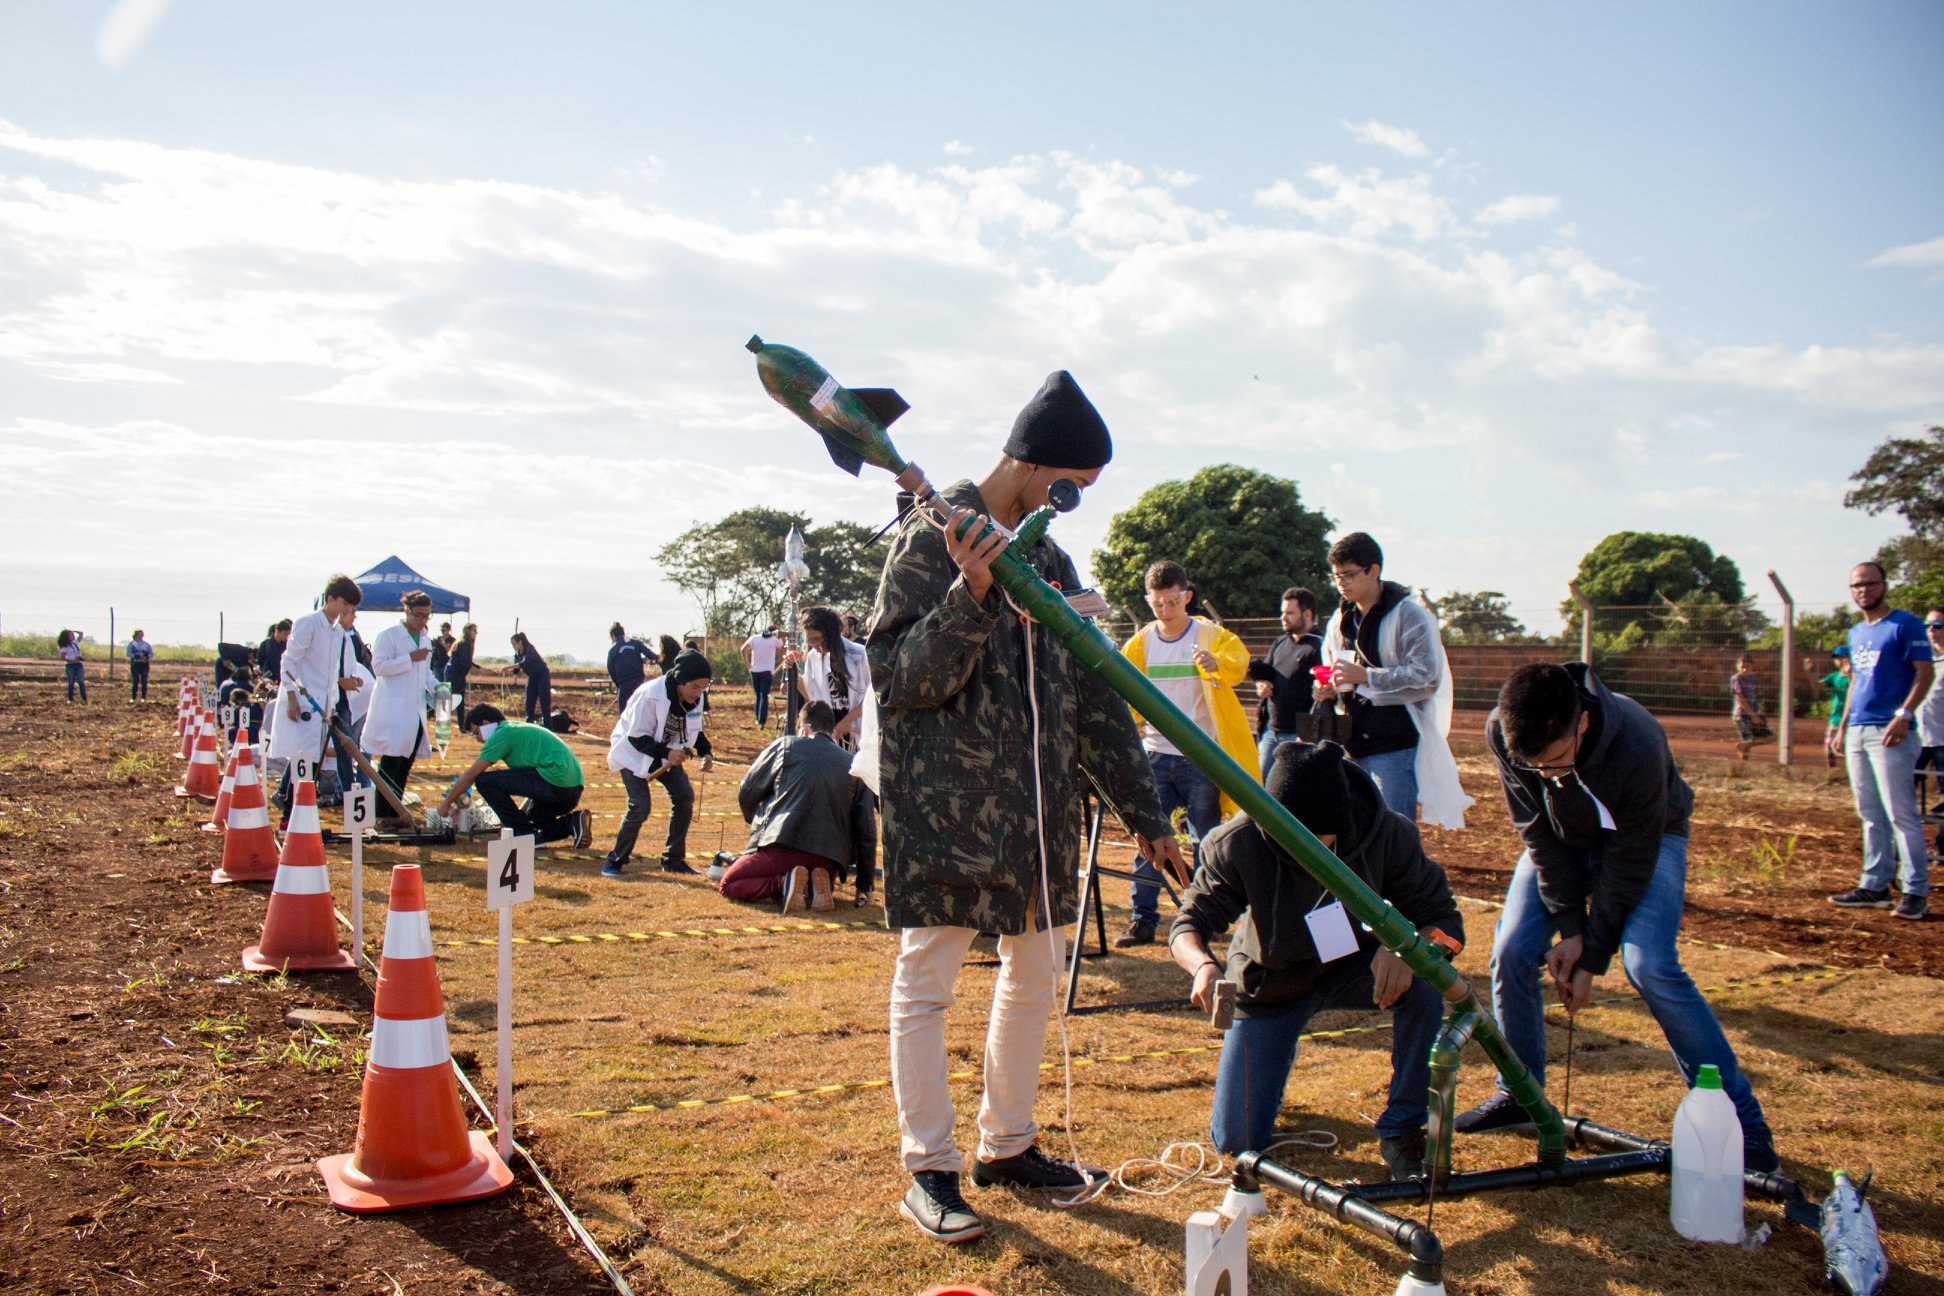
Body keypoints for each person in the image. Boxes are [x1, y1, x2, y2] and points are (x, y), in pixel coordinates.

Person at [869, 368, 1186, 1244]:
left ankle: (1006, 1146)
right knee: (926, 985)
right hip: (951, 810)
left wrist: (1145, 815)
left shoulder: (1049, 559)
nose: (1078, 503)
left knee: (1035, 975)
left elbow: (1094, 697)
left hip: (1043, 812)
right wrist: (968, 598)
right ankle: (928, 1169)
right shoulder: (932, 539)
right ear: (1042, 468)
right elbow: (903, 683)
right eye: (1077, 486)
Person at [1454, 662, 1778, 1172]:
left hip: (1646, 842)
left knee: (1649, 964)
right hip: (1561, 842)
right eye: (1537, 768)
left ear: (1581, 723)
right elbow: (1536, 832)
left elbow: (1629, 863)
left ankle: (1745, 1130)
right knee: (1512, 948)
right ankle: (1520, 1094)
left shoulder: (1638, 739)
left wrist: (1590, 957)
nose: (1550, 776)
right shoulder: (1503, 730)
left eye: (1558, 761)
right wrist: (1570, 928)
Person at [1171, 741, 1461, 1178]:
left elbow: (1447, 925)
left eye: (1321, 843)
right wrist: (1203, 966)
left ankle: (1402, 1128)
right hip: (1271, 981)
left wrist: (1408, 948)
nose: (1307, 855)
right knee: (1237, 1143)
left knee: (1425, 981)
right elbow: (1186, 926)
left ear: (1343, 823)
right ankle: (1268, 1073)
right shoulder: (1236, 842)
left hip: (1355, 969)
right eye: (1291, 842)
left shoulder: (1386, 833)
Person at [1114, 560, 1258, 948]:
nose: (1166, 611)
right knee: (1148, 837)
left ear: (1187, 597)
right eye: (1158, 604)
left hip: (1201, 757)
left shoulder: (1210, 635)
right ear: (1149, 601)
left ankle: (1204, 920)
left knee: (1206, 841)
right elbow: (1121, 686)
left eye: (1173, 602)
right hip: (1156, 755)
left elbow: (1237, 662)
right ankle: (1142, 919)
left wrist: (1217, 665)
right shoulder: (1141, 642)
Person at [1313, 532, 1471, 828]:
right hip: (1350, 741)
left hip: (1393, 744)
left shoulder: (1408, 615)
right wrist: (1326, 687)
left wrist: (1367, 676)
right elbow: (1332, 667)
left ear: (1374, 571)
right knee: (1354, 826)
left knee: (1394, 827)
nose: (1341, 583)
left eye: (1349, 574)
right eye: (1337, 576)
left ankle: (1398, 875)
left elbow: (1427, 677)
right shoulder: (1340, 619)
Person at [1829, 564, 1935, 919]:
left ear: (1884, 585)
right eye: (1857, 585)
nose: (1864, 590)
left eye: (1870, 584)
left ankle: (1915, 890)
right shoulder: (1857, 632)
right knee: (1870, 813)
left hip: (1890, 730)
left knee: (1900, 813)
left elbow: (1925, 672)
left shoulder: (1906, 624)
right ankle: (1875, 885)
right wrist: (1842, 727)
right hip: (1858, 728)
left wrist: (1903, 715)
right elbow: (1857, 683)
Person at [718, 701, 877, 910]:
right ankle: (815, 886)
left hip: (782, 844)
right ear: (833, 731)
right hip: (829, 856)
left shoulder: (785, 746)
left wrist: (756, 831)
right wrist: (864, 886)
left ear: (803, 729)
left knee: (730, 884)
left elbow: (747, 790)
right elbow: (866, 831)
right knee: (820, 874)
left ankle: (784, 884)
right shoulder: (853, 764)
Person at [603, 643, 713, 876]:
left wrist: (706, 752)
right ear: (680, 680)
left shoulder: (696, 697)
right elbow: (636, 737)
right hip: (633, 753)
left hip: (666, 754)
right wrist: (666, 754)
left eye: (703, 688)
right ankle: (615, 859)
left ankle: (673, 859)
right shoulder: (650, 695)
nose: (698, 693)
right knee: (640, 807)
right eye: (695, 687)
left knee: (684, 797)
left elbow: (695, 729)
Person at [268, 575, 361, 817]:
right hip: (303, 702)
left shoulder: (338, 633)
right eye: (344, 605)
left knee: (310, 759)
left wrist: (332, 705)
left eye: (350, 608)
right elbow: (289, 662)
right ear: (330, 599)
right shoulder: (308, 624)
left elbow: (331, 675)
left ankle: (289, 804)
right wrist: (291, 696)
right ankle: (290, 812)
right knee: (303, 759)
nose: (346, 611)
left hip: (324, 707)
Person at [437, 704, 590, 847]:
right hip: (571, 789)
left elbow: (470, 775)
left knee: (484, 781)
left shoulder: (501, 733)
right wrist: (512, 822)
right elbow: (532, 783)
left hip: (555, 783)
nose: (478, 739)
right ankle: (572, 823)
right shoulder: (515, 728)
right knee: (533, 824)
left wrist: (446, 803)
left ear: (485, 723)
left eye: (476, 732)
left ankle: (524, 834)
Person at [366, 590, 437, 824]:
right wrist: (409, 658)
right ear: (406, 611)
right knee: (390, 764)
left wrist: (439, 690)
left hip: (414, 712)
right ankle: (381, 814)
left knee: (405, 764)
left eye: (427, 616)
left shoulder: (425, 639)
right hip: (393, 709)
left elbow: (425, 674)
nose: (423, 621)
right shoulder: (388, 636)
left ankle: (395, 813)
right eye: (418, 615)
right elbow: (379, 667)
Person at [1248, 587, 1323, 778]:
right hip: (1270, 733)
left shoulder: (1319, 646)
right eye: (1283, 612)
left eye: (1290, 613)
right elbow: (1267, 674)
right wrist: (1261, 683)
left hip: (1298, 737)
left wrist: (1307, 736)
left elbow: (1323, 697)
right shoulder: (1280, 643)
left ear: (1307, 614)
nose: (1283, 617)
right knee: (1261, 792)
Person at [794, 607, 869, 749]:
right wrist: (793, 673)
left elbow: (871, 695)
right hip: (830, 732)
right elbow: (812, 696)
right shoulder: (813, 657)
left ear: (832, 634)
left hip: (858, 731)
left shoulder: (859, 655)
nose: (814, 646)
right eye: (810, 641)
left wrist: (848, 721)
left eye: (817, 639)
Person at [1916, 608, 1944, 861]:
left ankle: (1943, 847)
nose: (1932, 631)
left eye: (1938, 625)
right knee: (1900, 791)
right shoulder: (1925, 661)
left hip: (1943, 741)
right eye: (1928, 626)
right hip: (1918, 739)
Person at [742, 625, 783, 729]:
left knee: (758, 695)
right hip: (767, 672)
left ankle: (758, 719)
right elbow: (782, 646)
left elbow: (743, 649)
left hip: (755, 671)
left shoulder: (754, 638)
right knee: (764, 696)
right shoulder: (774, 640)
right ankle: (762, 721)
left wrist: (747, 664)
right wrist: (781, 637)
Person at [606, 622, 653, 712]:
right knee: (638, 710)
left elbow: (610, 668)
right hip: (638, 682)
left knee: (624, 712)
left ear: (613, 636)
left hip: (624, 684)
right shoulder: (636, 643)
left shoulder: (613, 649)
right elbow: (650, 654)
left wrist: (618, 683)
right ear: (623, 633)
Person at [509, 632, 552, 723]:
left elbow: (524, 663)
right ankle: (529, 724)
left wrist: (509, 667)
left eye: (514, 644)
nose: (513, 646)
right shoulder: (517, 655)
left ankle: (548, 726)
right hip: (532, 677)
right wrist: (507, 671)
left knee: (544, 702)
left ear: (520, 642)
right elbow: (516, 670)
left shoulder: (529, 649)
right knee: (529, 703)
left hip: (542, 675)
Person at [1729, 657, 1766, 761]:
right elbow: (1740, 698)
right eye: (1742, 667)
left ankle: (1743, 746)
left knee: (1769, 738)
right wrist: (1753, 715)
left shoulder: (1753, 678)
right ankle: (1743, 766)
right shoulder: (1736, 678)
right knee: (1747, 741)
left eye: (1748, 667)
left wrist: (1759, 710)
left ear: (1752, 667)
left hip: (1754, 712)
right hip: (1741, 715)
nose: (1745, 669)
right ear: (1737, 667)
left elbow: (1757, 695)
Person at [1821, 647, 1852, 769]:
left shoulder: (1856, 677)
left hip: (1852, 718)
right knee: (1829, 746)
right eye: (1836, 658)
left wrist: (1850, 673)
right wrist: (1809, 671)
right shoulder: (1834, 677)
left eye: (1841, 657)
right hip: (1836, 718)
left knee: (1850, 748)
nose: (1838, 661)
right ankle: (1832, 771)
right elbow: (1817, 685)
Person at [444, 623, 478, 720]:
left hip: (454, 673)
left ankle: (460, 725)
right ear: (468, 631)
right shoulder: (465, 643)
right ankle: (459, 724)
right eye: (474, 631)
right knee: (456, 698)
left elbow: (468, 662)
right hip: (455, 674)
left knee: (457, 698)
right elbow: (465, 663)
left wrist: (481, 668)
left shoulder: (463, 642)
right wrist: (480, 671)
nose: (476, 633)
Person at [57, 630, 87, 703]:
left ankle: (84, 699)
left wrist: (74, 630)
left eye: (73, 635)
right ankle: (70, 699)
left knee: (81, 681)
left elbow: (81, 634)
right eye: (71, 635)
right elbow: (63, 658)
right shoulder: (64, 647)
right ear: (67, 637)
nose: (73, 636)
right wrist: (72, 661)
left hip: (79, 664)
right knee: (71, 682)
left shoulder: (75, 643)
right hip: (70, 665)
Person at [126, 629, 153, 703]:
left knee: (144, 681)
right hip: (135, 664)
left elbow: (151, 654)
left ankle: (143, 698)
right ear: (135, 635)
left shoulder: (146, 644)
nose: (141, 636)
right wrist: (137, 655)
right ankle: (133, 698)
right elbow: (128, 653)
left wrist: (146, 657)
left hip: (144, 664)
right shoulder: (132, 644)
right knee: (135, 680)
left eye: (142, 635)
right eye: (139, 635)